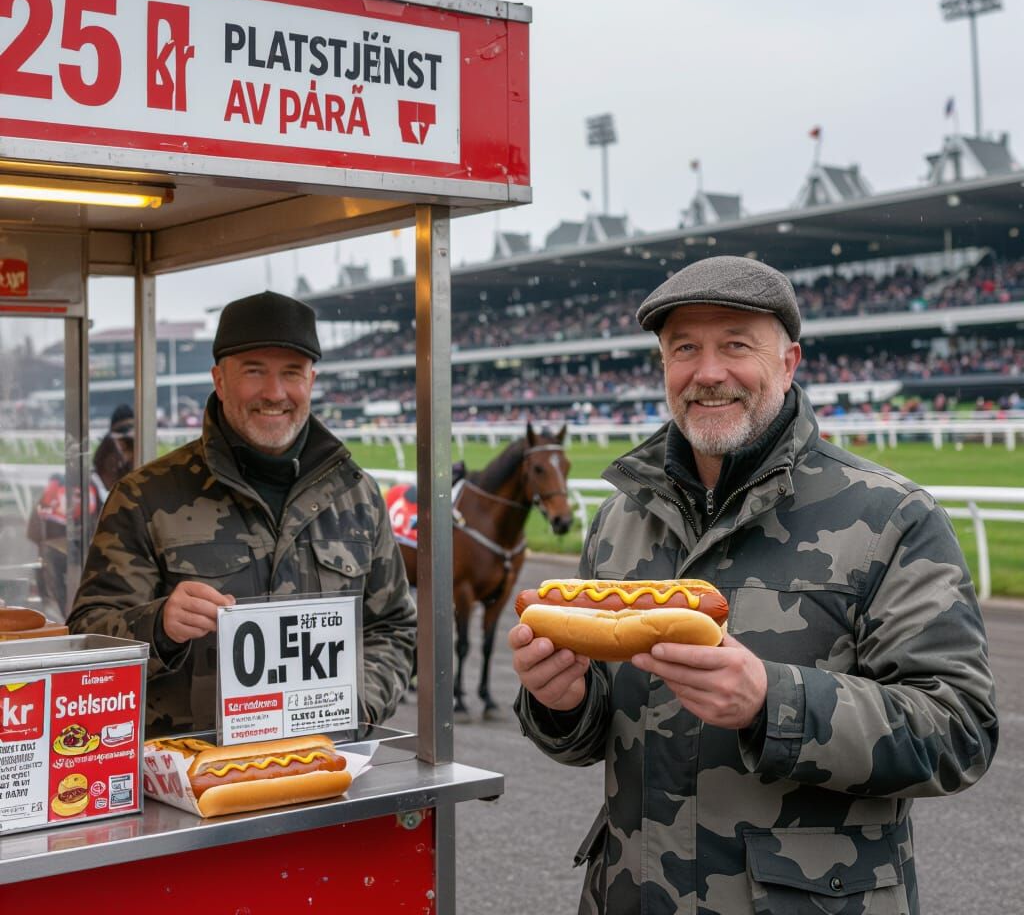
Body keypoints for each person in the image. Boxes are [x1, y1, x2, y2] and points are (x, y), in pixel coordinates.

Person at [509, 256, 998, 915]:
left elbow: (960, 728)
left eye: (736, 345)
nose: (708, 373)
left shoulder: (892, 517)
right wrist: (560, 704)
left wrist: (774, 702)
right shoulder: (618, 520)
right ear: (663, 367)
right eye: (685, 348)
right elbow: (596, 736)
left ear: (789, 362)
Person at [69, 291, 416, 737]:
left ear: (311, 380)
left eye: (291, 373)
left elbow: (393, 628)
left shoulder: (358, 495)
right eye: (254, 372)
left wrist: (358, 706)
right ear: (219, 379)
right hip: (189, 780)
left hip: (326, 770)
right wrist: (158, 626)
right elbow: (86, 641)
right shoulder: (144, 496)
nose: (274, 393)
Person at [27, 405, 136, 620]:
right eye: (129, 451)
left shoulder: (107, 495)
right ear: (112, 458)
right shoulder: (81, 494)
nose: (135, 462)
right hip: (65, 606)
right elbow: (50, 548)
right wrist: (62, 614)